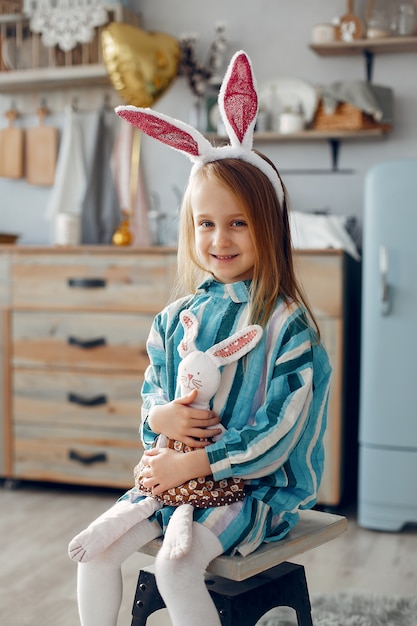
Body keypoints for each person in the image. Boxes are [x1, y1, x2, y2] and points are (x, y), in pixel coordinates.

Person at [68, 51, 332, 626]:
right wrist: (160, 422)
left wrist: (197, 466)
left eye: (238, 222)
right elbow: (153, 403)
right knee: (95, 548)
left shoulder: (288, 326)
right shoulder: (175, 319)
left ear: (271, 225)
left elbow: (280, 435)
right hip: (174, 476)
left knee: (175, 567)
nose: (220, 238)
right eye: (205, 223)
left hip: (253, 491)